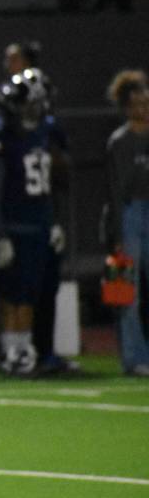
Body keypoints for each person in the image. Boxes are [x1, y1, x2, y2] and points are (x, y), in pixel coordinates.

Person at [0, 69, 66, 375]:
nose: (34, 111)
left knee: (28, 292)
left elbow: (51, 184)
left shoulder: (45, 132)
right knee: (11, 293)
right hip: (15, 223)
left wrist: (54, 222)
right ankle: (12, 349)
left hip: (38, 222)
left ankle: (20, 348)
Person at [105, 70, 149, 377]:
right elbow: (116, 191)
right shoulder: (119, 142)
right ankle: (133, 358)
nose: (141, 109)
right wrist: (117, 234)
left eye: (145, 102)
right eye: (135, 104)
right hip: (129, 214)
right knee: (125, 293)